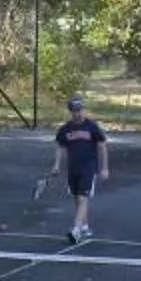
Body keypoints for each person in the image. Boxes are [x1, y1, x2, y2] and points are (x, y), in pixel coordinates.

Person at [50, 93, 109, 244]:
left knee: (83, 197)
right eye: (75, 111)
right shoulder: (66, 129)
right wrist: (56, 165)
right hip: (73, 168)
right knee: (77, 197)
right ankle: (84, 226)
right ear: (70, 112)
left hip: (88, 167)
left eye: (80, 110)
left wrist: (104, 168)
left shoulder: (91, 127)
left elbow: (102, 146)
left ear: (83, 110)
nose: (78, 113)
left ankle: (75, 229)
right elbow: (59, 146)